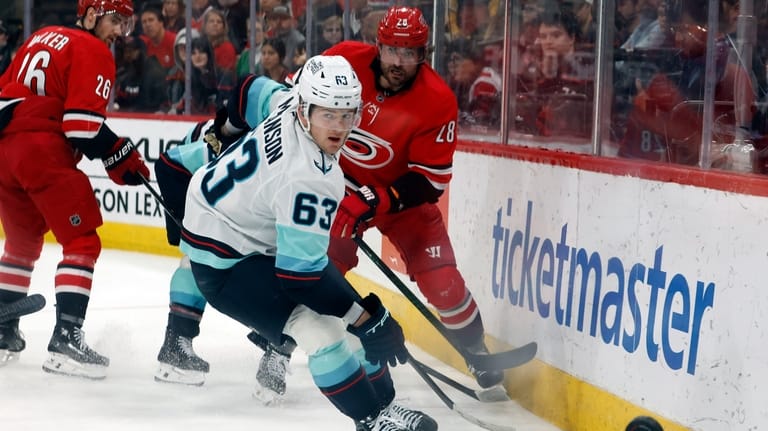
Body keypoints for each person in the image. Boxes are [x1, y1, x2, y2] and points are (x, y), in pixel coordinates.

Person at [179, 54, 437, 431]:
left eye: (347, 115)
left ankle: (385, 407)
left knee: (352, 314)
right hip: (225, 261)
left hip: (234, 224)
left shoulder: (288, 101)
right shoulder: (308, 178)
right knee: (323, 331)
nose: (339, 127)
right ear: (306, 109)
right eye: (328, 115)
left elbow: (248, 89)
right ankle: (371, 419)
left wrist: (227, 131)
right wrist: (367, 319)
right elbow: (300, 278)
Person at [323, 6, 504, 389]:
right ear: (378, 46)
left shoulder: (437, 100)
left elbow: (429, 182)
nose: (398, 62)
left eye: (409, 53)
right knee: (322, 266)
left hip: (401, 202)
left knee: (443, 283)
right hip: (340, 189)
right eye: (392, 50)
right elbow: (297, 107)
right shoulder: (343, 61)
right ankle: (280, 346)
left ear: (424, 54)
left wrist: (377, 198)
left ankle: (477, 353)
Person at [0, 0, 149, 377]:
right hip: (41, 150)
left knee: (21, 243)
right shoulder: (92, 49)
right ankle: (66, 338)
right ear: (92, 15)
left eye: (125, 25)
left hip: (4, 153)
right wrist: (122, 156)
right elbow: (81, 127)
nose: (119, 33)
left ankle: (2, 331)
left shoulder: (40, 36)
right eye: (115, 21)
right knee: (82, 242)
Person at [153, 74, 292, 387]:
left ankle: (275, 346)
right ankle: (176, 344)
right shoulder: (243, 142)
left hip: (248, 214)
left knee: (293, 270)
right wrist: (185, 227)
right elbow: (170, 165)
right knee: (196, 257)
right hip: (218, 209)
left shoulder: (285, 138)